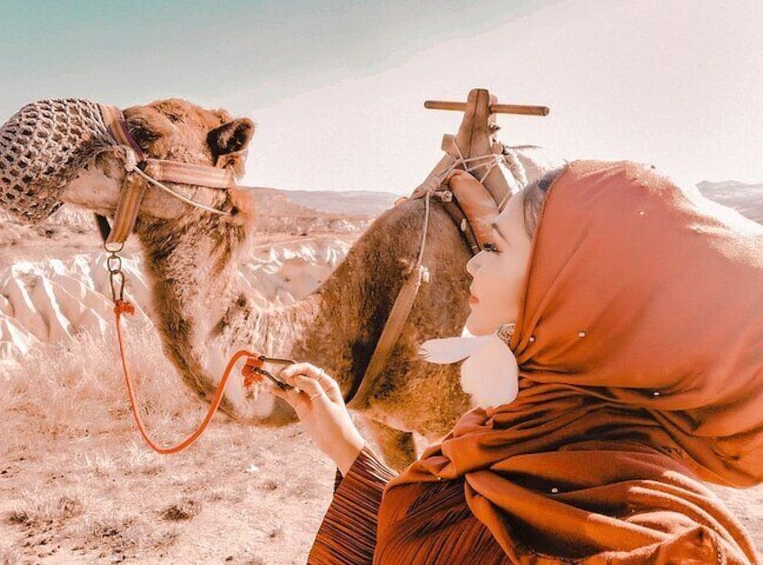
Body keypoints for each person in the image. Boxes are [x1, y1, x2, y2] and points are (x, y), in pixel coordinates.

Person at [270, 160, 763, 564]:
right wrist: (347, 449)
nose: (472, 263)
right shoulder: (527, 431)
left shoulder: (652, 539)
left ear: (571, 293)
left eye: (496, 248)